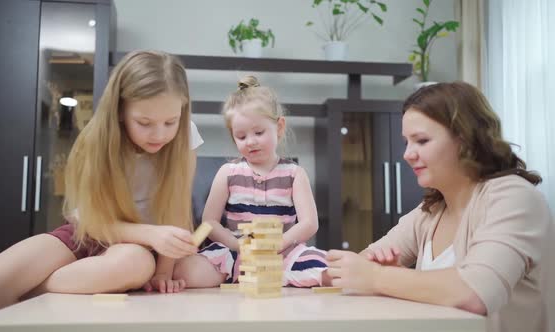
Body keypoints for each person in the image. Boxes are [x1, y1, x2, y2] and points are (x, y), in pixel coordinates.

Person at [0, 50, 203, 320]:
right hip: (89, 231)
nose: (160, 134)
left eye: (170, 121)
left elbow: (175, 207)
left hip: (135, 251)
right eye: (144, 123)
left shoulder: (185, 138)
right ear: (121, 111)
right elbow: (91, 222)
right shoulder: (96, 140)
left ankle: (29, 294)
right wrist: (151, 234)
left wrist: (163, 271)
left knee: (134, 263)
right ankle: (29, 291)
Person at [326, 81, 554, 331]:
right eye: (406, 142)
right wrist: (377, 275)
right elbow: (352, 270)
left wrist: (381, 278)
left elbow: (474, 292)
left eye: (421, 141)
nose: (407, 154)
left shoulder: (514, 198)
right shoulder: (431, 212)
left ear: (466, 139)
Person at [172, 75, 331, 288]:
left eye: (259, 132)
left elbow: (309, 223)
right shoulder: (227, 172)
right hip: (237, 253)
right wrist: (236, 245)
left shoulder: (294, 173)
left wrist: (278, 244)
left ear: (280, 127)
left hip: (282, 253)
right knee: (185, 271)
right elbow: (210, 221)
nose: (251, 141)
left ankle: (274, 274)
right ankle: (254, 275)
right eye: (241, 136)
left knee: (327, 267)